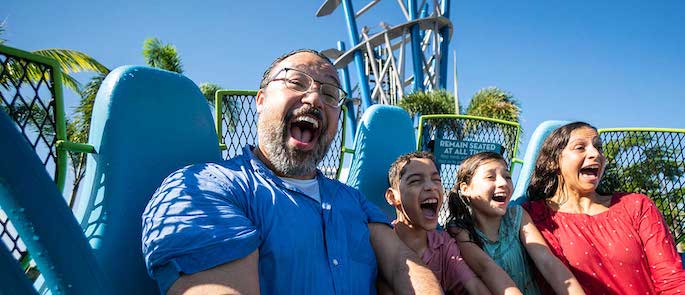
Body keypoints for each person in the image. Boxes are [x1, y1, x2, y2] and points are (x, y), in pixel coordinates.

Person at [141, 49, 441, 295]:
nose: (313, 99)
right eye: (296, 83)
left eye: (329, 94)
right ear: (261, 100)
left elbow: (401, 263)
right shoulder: (202, 190)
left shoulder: (354, 201)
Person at [522, 121, 685, 294]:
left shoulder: (636, 206)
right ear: (554, 161)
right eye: (580, 147)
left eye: (598, 147)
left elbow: (672, 279)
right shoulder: (532, 216)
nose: (596, 154)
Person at [446, 152, 585, 295]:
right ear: (465, 189)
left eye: (507, 177)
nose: (503, 183)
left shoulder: (516, 216)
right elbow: (485, 268)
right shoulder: (461, 230)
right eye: (490, 177)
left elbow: (547, 261)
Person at [382, 151, 497, 294]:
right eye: (416, 181)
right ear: (393, 197)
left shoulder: (444, 244)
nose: (431, 186)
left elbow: (473, 285)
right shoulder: (382, 242)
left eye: (436, 180)